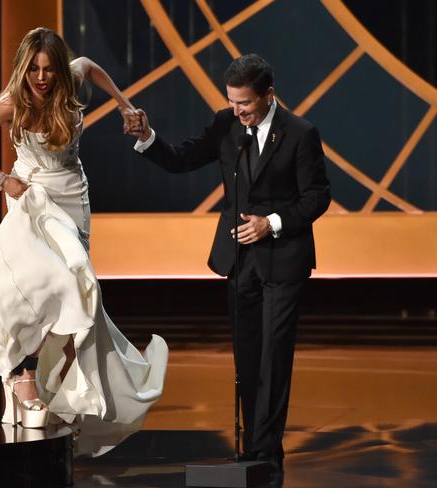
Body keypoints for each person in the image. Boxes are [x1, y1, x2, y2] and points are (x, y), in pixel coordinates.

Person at [0, 27, 167, 456]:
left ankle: (58, 392)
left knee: (77, 299)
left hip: (74, 197)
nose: (41, 77)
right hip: (33, 199)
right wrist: (0, 178)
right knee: (49, 286)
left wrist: (127, 106)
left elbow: (89, 65)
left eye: (48, 68)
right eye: (33, 69)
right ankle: (23, 373)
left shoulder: (71, 77)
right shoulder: (14, 102)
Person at [127, 54, 330, 482]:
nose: (239, 112)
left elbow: (317, 196)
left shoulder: (299, 134)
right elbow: (183, 158)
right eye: (233, 103)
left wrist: (271, 223)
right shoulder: (226, 126)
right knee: (248, 360)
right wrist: (148, 138)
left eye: (246, 105)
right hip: (239, 261)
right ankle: (254, 450)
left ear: (268, 95)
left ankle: (266, 453)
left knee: (274, 359)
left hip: (282, 260)